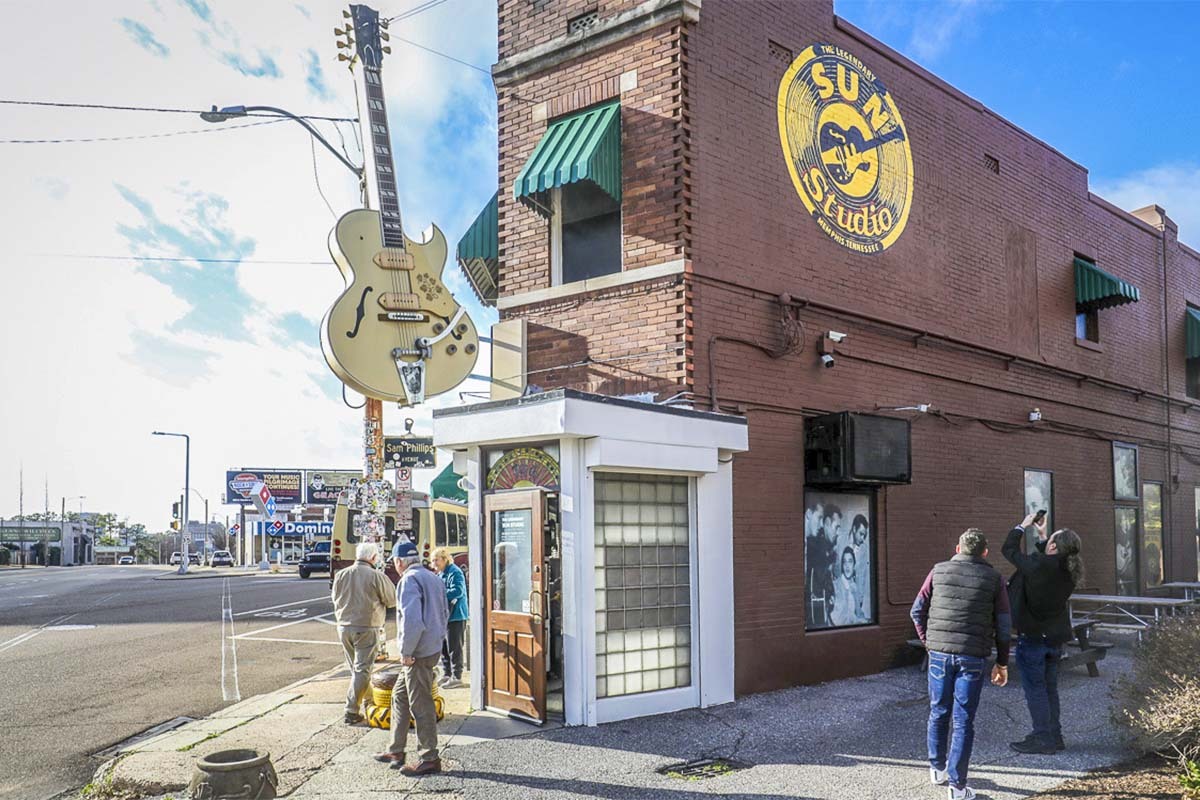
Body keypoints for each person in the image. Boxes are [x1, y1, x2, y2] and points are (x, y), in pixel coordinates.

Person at [911, 529, 1011, 800]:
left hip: (939, 654)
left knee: (938, 711)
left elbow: (917, 610)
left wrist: (928, 643)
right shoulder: (994, 579)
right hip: (972, 657)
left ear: (958, 549)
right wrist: (1002, 663)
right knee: (963, 719)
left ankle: (936, 769)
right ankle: (957, 787)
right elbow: (1003, 627)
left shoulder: (938, 571)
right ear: (985, 553)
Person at [1002, 512, 1085, 755]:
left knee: (1036, 690)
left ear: (1053, 546)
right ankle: (1054, 735)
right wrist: (1042, 534)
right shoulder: (1069, 569)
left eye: (1051, 539)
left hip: (1033, 639)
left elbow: (1009, 550)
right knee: (1049, 689)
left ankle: (1042, 738)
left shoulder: (1039, 566)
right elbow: (1047, 558)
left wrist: (1022, 526)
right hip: (1054, 639)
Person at [373, 540, 449, 776]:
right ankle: (395, 749)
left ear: (399, 561)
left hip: (417, 653)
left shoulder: (408, 580)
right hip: (431, 647)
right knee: (399, 696)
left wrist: (406, 651)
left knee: (421, 704)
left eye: (394, 562)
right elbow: (445, 611)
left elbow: (412, 620)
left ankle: (429, 757)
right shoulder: (433, 577)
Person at [330, 542, 396, 724]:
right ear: (374, 557)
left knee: (357, 670)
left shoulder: (341, 575)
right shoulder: (376, 576)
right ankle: (351, 710)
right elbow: (391, 600)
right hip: (367, 626)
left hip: (343, 627)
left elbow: (334, 598)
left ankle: (368, 701)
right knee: (362, 670)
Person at [432, 547, 468, 689]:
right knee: (444, 647)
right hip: (445, 616)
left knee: (455, 647)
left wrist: (439, 593)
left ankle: (456, 676)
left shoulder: (455, 572)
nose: (434, 563)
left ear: (445, 559)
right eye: (433, 560)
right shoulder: (441, 574)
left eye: (436, 560)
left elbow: (458, 591)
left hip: (456, 615)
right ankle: (447, 673)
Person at [830, 547, 863, 627]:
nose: (847, 566)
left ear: (854, 565)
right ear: (842, 565)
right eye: (844, 562)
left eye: (850, 561)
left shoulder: (855, 587)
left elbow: (858, 614)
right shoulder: (835, 586)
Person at [849, 514, 871, 619]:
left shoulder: (864, 549)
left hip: (857, 599)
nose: (862, 539)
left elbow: (862, 576)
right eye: (861, 534)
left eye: (864, 535)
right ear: (854, 529)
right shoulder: (841, 543)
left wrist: (860, 600)